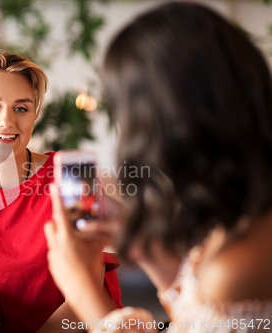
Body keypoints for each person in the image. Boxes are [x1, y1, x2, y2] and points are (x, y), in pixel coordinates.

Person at [44, 2, 272, 333]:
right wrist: (145, 250)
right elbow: (199, 318)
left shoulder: (234, 269)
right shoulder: (242, 214)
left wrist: (82, 291)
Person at [0, 50, 123, 333]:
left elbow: (86, 297)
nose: (7, 121)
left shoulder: (75, 176)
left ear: (34, 116)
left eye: (21, 108)